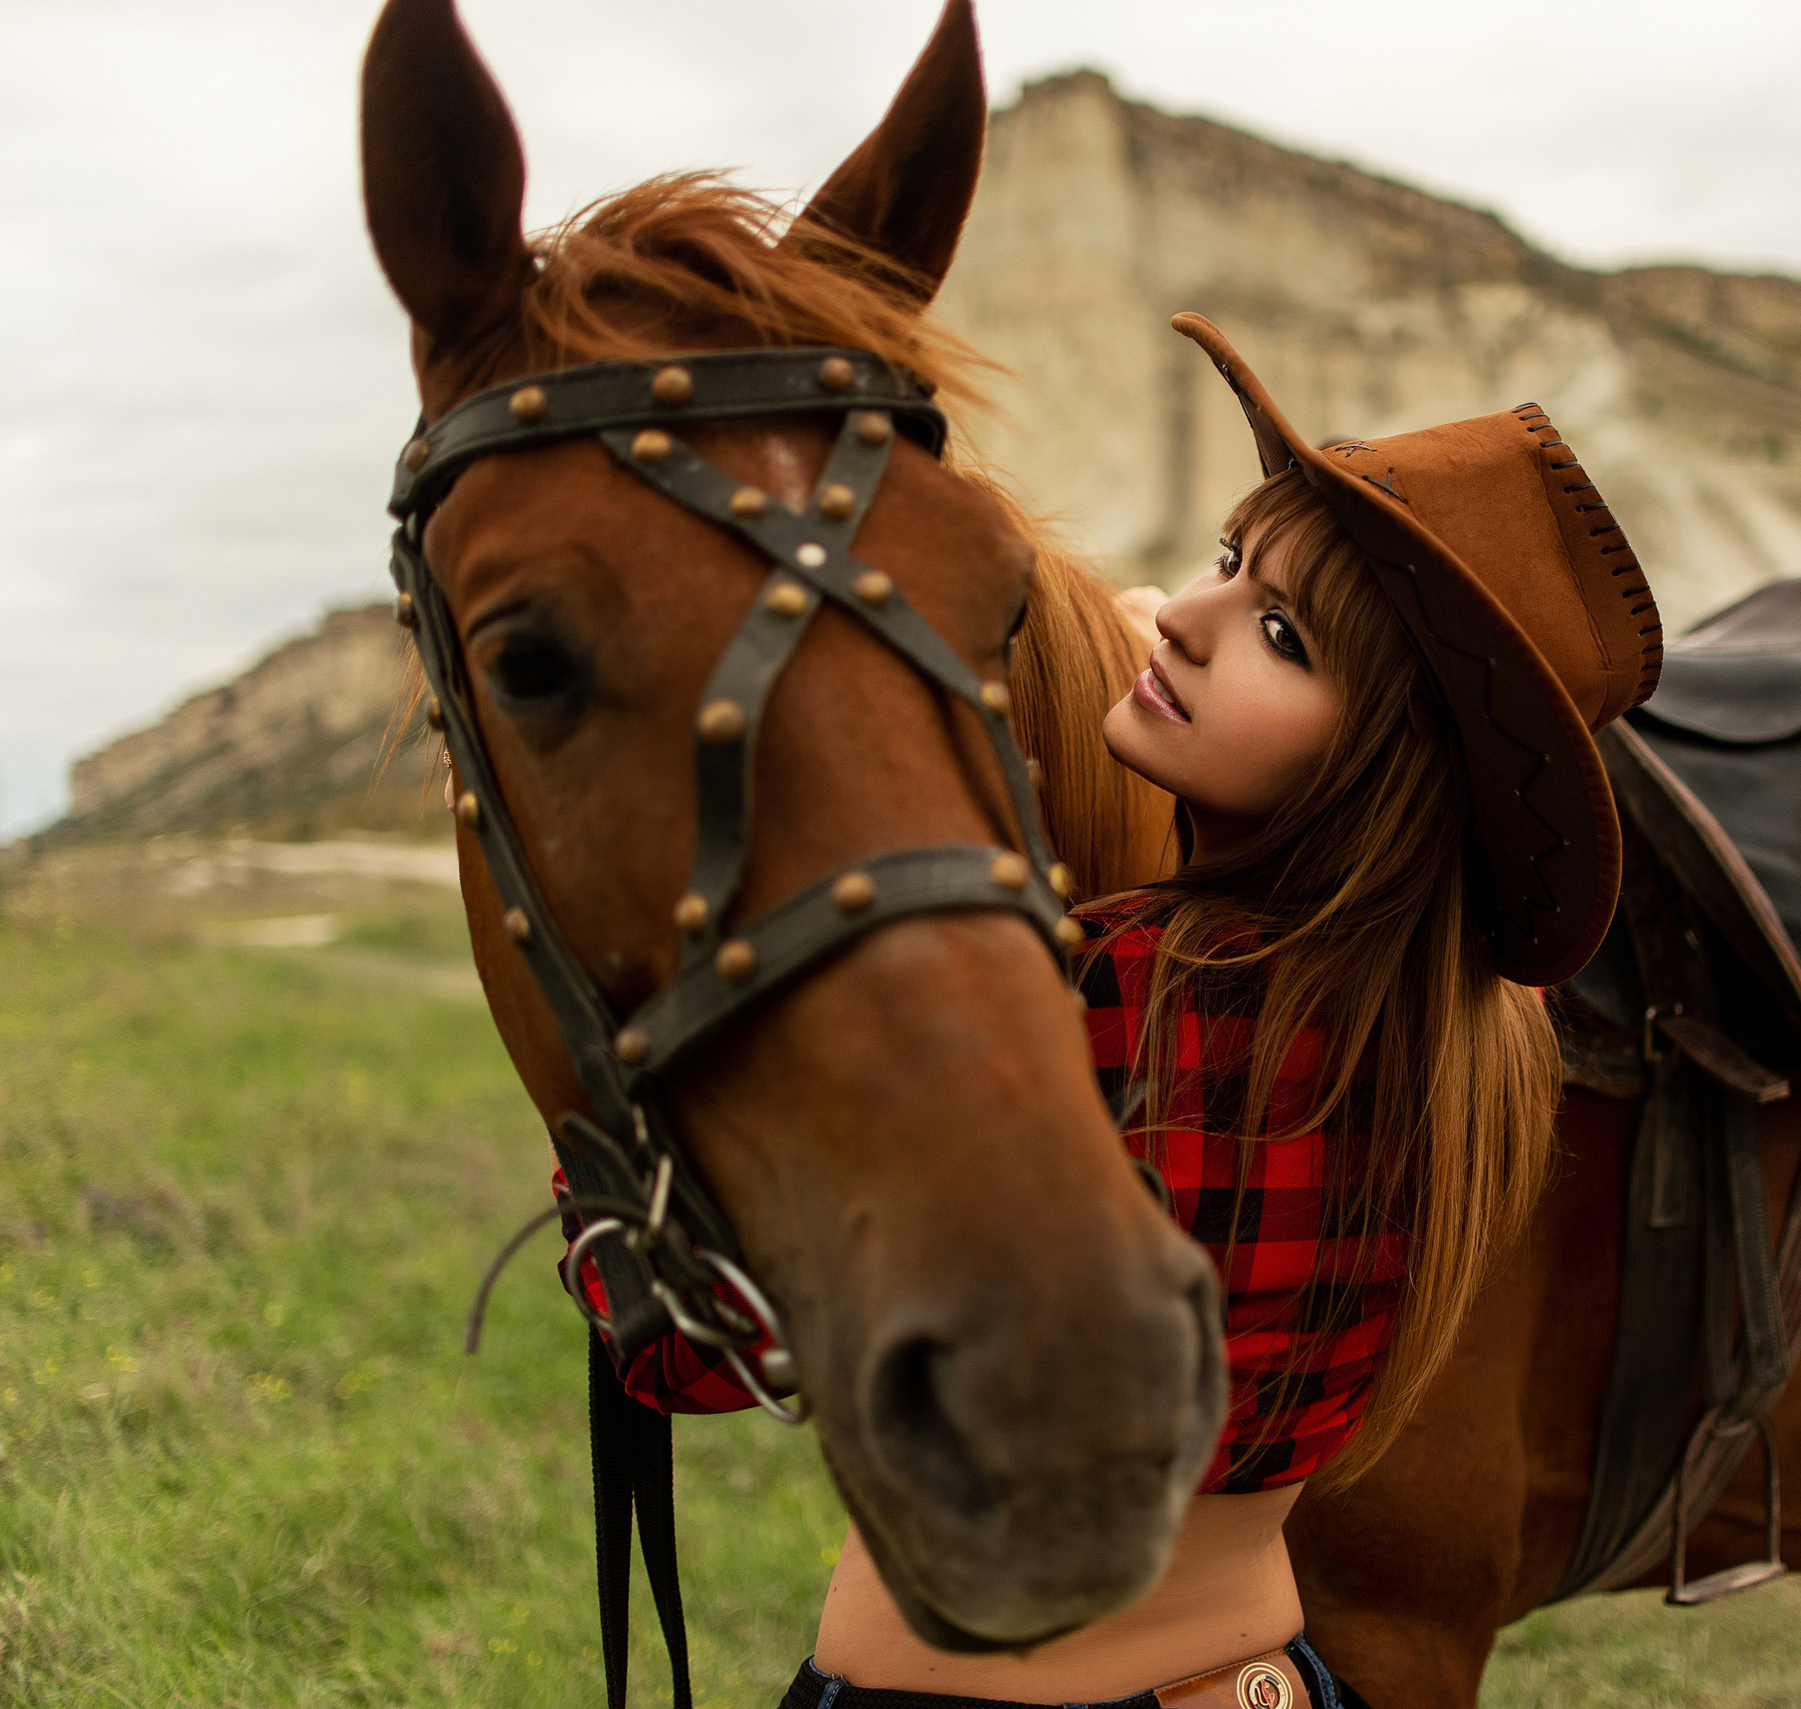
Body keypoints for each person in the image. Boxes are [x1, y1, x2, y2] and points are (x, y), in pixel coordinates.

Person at [555, 312, 1664, 1709]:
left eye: (1282, 635)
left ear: (1391, 768)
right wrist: (1211, 668)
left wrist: (607, 1096)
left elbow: (683, 1346)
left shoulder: (1089, 997)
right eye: (1222, 562)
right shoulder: (1474, 1053)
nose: (1186, 618)